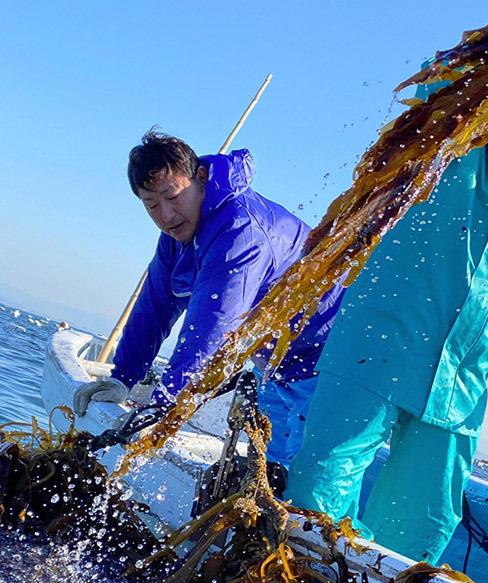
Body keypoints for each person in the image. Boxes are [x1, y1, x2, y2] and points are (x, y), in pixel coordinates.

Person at [285, 106, 488, 564]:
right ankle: (297, 581)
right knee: (322, 485)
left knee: (424, 522)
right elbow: (442, 93)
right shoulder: (453, 143)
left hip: (461, 378)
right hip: (378, 344)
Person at [74, 130, 343, 468]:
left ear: (200, 177)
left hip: (331, 361)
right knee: (268, 473)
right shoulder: (176, 236)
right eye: (152, 205)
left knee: (305, 485)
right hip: (278, 369)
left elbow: (212, 328)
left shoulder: (240, 228)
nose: (166, 215)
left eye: (173, 197)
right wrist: (123, 377)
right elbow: (155, 307)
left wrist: (164, 407)